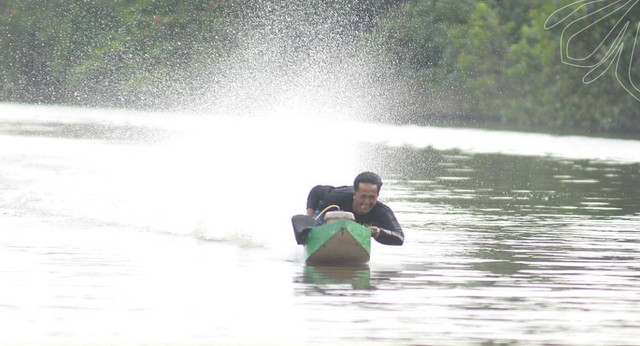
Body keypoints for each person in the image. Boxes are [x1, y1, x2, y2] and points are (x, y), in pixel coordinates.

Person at [305, 172, 404, 245]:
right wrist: (309, 220)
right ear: (355, 194)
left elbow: (399, 237)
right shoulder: (337, 196)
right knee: (314, 226)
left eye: (371, 197)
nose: (366, 202)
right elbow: (315, 192)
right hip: (326, 214)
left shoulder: (381, 211)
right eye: (363, 196)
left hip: (356, 225)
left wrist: (379, 233)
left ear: (377, 195)